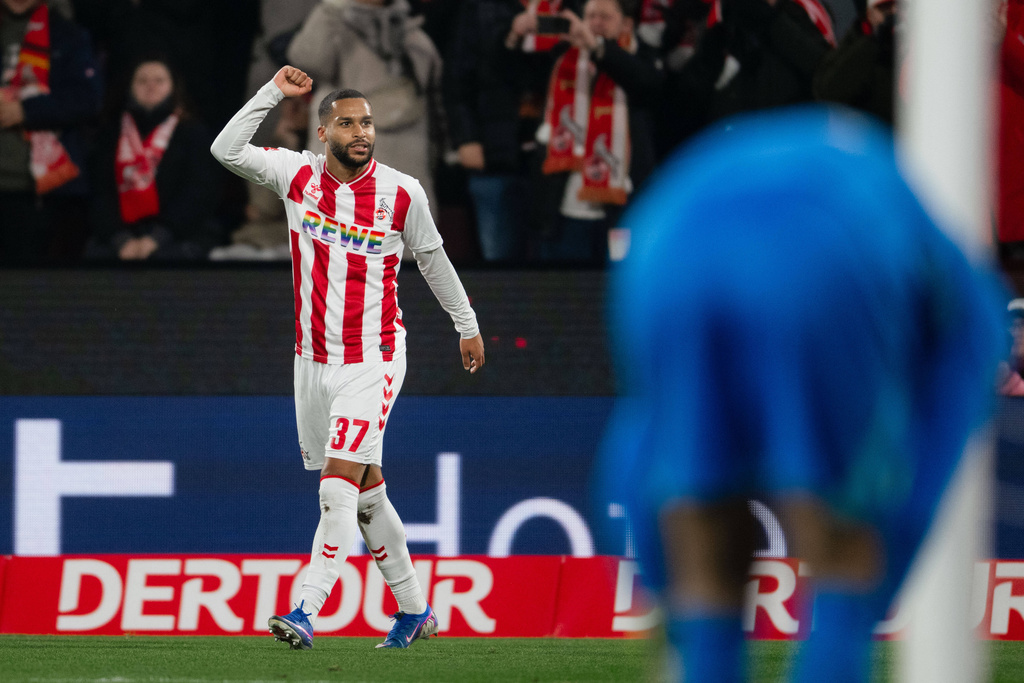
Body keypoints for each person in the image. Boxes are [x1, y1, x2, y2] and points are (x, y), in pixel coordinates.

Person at [598, 107, 1005, 681]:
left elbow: (638, 448)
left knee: (703, 546)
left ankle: (701, 653)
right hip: (822, 246)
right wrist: (878, 553)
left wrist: (669, 591)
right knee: (842, 549)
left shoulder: (907, 232)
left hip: (664, 237)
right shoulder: (968, 309)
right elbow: (939, 437)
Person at [211, 65, 485, 650]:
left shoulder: (402, 192)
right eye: (347, 123)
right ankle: (416, 611)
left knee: (337, 487)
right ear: (323, 132)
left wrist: (467, 325)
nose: (361, 132)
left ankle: (306, 609)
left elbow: (434, 261)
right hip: (311, 362)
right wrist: (271, 92)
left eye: (367, 123)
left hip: (373, 358)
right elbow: (224, 149)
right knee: (366, 494)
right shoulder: (296, 175)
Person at [287, 0, 445, 220]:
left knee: (407, 232)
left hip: (406, 163)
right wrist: (335, 7)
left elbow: (436, 103)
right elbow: (305, 59)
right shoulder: (333, 25)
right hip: (345, 167)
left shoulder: (415, 38)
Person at [533, 0, 663, 263]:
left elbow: (647, 84)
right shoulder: (563, 56)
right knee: (565, 283)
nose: (595, 23)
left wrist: (598, 48)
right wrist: (515, 34)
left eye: (605, 17)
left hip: (621, 205)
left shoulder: (644, 56)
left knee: (617, 281)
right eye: (590, 16)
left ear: (626, 23)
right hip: (566, 203)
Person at [85, 57, 220, 262]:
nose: (151, 86)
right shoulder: (110, 134)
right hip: (120, 236)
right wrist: (120, 240)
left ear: (173, 87)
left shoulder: (193, 133)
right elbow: (99, 193)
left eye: (159, 80)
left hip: (179, 234)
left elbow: (198, 194)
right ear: (129, 87)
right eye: (142, 81)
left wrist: (158, 238)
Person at [0, 0, 100, 265]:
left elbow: (87, 99)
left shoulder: (66, 34)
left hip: (38, 191)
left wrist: (26, 110)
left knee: (28, 283)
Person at [813, 0, 898, 125]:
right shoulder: (857, 42)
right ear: (870, 14)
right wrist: (875, 40)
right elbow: (827, 93)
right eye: (886, 10)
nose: (895, 15)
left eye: (901, 8)